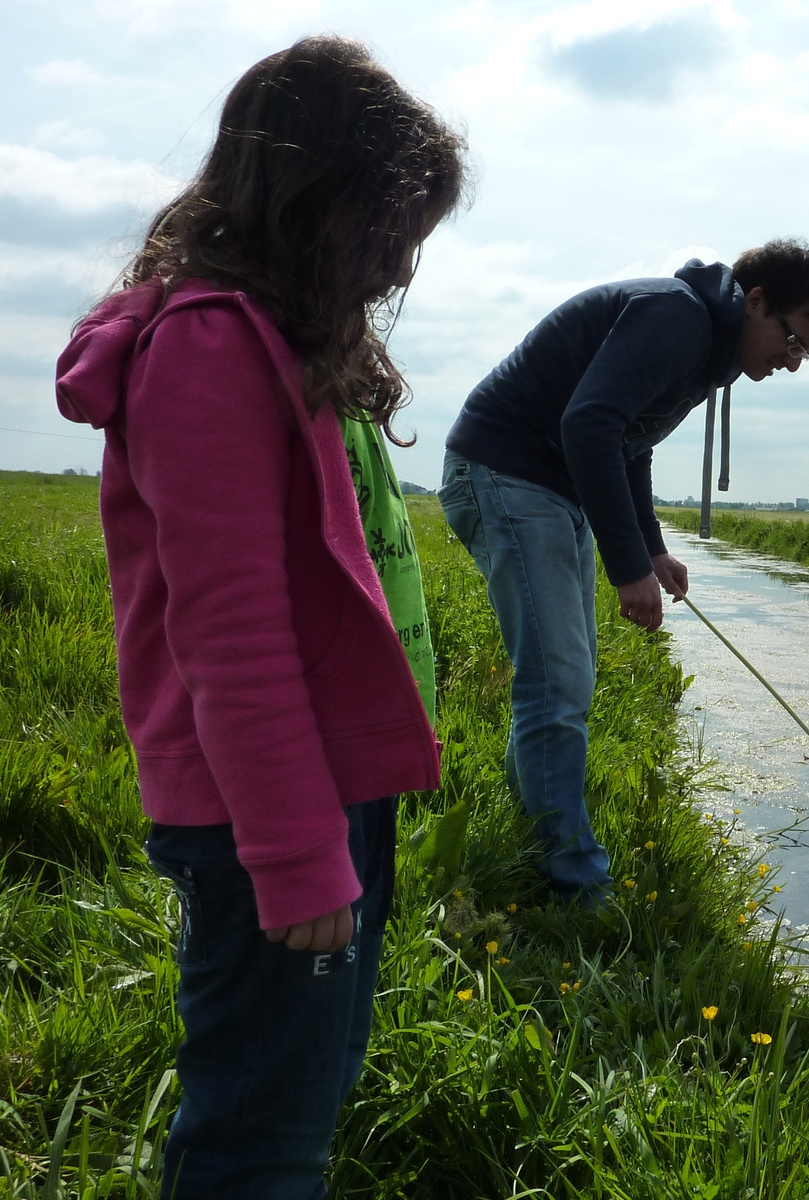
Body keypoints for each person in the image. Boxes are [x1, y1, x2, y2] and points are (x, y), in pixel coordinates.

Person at [54, 37, 465, 1199]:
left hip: (327, 793)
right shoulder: (206, 350)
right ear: (318, 206)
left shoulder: (285, 346)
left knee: (314, 1081)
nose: (393, 271)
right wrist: (294, 857)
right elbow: (230, 635)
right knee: (258, 1131)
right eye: (391, 238)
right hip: (266, 818)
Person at [440, 239, 809, 902]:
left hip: (544, 485)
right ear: (757, 301)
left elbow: (628, 441)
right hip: (507, 473)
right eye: (793, 338)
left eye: (805, 352)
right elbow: (590, 423)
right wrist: (625, 566)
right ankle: (573, 884)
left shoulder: (708, 347)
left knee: (563, 678)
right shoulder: (677, 318)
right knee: (559, 681)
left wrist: (650, 548)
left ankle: (534, 846)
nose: (793, 361)